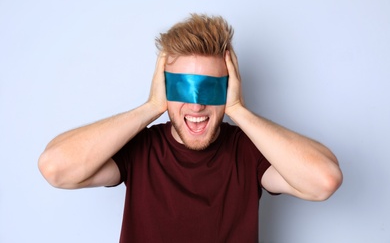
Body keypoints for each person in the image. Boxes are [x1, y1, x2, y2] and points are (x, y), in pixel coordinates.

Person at [38, 14, 343, 242]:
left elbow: (324, 180)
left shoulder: (249, 152)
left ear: (229, 89)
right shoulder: (141, 149)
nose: (196, 106)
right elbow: (55, 168)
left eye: (210, 89)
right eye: (182, 89)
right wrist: (150, 107)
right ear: (164, 88)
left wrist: (239, 111)